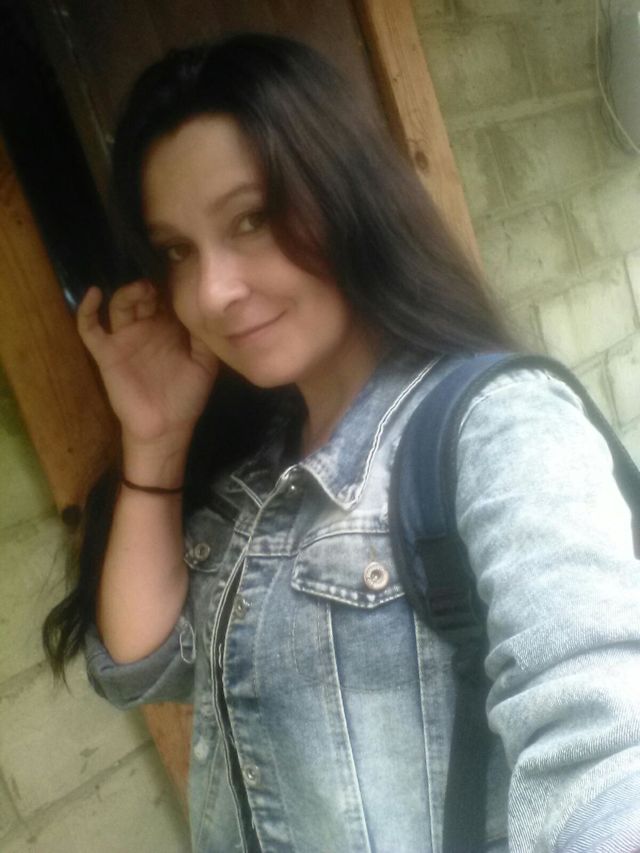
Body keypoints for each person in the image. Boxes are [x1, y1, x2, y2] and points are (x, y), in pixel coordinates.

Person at [43, 33, 640, 853]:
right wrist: (155, 436)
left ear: (347, 199)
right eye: (178, 250)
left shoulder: (498, 425)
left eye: (251, 219)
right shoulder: (259, 462)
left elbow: (602, 736)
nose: (211, 292)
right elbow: (141, 666)